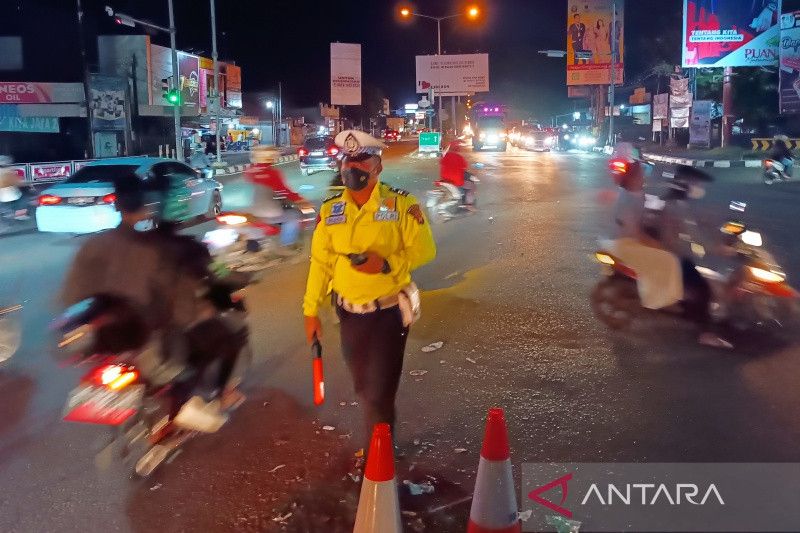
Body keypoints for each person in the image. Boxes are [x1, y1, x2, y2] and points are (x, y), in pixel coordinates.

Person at [302, 130, 436, 442]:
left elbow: (425, 250)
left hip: (387, 314)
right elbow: (320, 264)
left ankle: (378, 464)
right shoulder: (330, 210)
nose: (352, 166)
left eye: (362, 160)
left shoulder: (401, 205)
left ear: (378, 166)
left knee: (379, 393)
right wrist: (311, 311)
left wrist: (387, 264)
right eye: (348, 159)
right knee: (363, 387)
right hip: (349, 314)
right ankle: (379, 444)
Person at [658, 165, 733, 349]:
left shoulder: (674, 202)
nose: (699, 187)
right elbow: (693, 233)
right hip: (674, 257)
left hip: (675, 253)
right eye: (695, 183)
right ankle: (705, 335)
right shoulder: (676, 205)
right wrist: (717, 248)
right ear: (685, 185)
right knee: (704, 289)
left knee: (707, 277)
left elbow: (694, 226)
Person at [606, 143, 683, 311]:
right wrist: (652, 243)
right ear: (633, 177)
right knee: (669, 259)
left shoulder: (635, 192)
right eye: (640, 174)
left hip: (625, 238)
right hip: (625, 242)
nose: (643, 177)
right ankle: (659, 300)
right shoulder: (629, 196)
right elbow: (633, 229)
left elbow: (650, 204)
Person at [244, 145, 311, 248]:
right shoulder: (272, 173)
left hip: (251, 212)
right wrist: (299, 200)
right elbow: (284, 191)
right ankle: (287, 245)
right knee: (294, 215)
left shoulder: (249, 172)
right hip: (269, 213)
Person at [439, 141, 475, 209]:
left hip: (444, 180)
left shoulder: (445, 156)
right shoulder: (459, 157)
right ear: (458, 149)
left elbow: (442, 162)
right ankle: (469, 204)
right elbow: (464, 168)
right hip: (455, 181)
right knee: (471, 186)